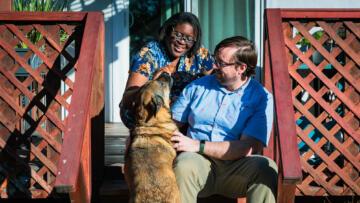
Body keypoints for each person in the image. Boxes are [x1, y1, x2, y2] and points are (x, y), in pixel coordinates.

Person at [170, 36, 278, 203]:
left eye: (221, 63)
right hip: (198, 162)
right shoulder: (198, 87)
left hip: (236, 168)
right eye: (215, 60)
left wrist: (198, 145)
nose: (214, 66)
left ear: (241, 68)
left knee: (266, 168)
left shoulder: (261, 98)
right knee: (184, 164)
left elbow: (247, 148)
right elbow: (168, 125)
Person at [120, 12, 214, 129]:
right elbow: (127, 99)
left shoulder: (200, 53)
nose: (182, 42)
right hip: (147, 115)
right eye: (178, 35)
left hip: (180, 115)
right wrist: (152, 84)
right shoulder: (148, 55)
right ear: (168, 31)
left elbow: (216, 77)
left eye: (189, 39)